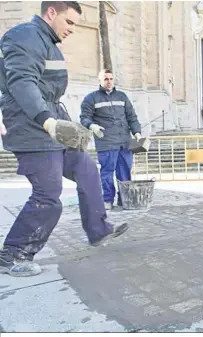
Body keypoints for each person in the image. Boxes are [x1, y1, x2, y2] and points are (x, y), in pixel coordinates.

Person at [0, 1, 128, 278]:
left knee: (87, 170)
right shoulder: (25, 36)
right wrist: (47, 121)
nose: (72, 29)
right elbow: (22, 82)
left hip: (52, 126)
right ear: (51, 13)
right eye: (69, 22)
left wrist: (68, 124)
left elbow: (49, 91)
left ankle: (98, 230)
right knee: (48, 195)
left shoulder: (47, 42)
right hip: (32, 129)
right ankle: (13, 253)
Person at [80, 69, 142, 210]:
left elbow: (131, 116)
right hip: (106, 142)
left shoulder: (122, 96)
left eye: (111, 79)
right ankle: (107, 199)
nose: (109, 82)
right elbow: (84, 117)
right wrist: (92, 125)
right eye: (106, 79)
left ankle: (124, 199)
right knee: (107, 173)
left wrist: (137, 132)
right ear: (100, 81)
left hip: (124, 142)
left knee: (125, 172)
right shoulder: (92, 98)